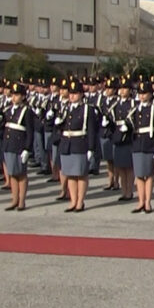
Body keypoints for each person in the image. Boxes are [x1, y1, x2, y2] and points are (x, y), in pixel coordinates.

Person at [57, 80, 100, 212]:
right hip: (67, 143)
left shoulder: (88, 109)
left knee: (80, 174)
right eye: (71, 93)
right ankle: (73, 201)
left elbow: (92, 130)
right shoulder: (65, 107)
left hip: (80, 143)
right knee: (70, 174)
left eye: (75, 93)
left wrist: (91, 148)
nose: (72, 96)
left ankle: (80, 201)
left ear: (81, 94)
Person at [129, 80, 154, 213]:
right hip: (137, 142)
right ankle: (140, 201)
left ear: (151, 94)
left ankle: (148, 202)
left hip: (149, 142)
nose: (142, 96)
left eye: (145, 93)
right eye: (140, 93)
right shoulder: (134, 110)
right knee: (139, 175)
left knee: (148, 174)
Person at [1, 83, 34, 211]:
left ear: (23, 97)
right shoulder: (7, 110)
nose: (14, 97)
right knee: (12, 174)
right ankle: (14, 199)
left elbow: (30, 132)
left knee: (21, 174)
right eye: (13, 95)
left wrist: (27, 148)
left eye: (17, 95)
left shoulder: (26, 111)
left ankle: (21, 201)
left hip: (20, 145)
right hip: (9, 144)